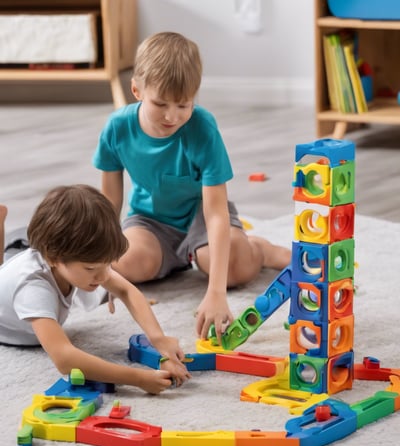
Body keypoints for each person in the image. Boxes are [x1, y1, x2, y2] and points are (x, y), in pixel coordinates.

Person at [93, 32, 291, 344]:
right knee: (123, 263)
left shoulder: (202, 127)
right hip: (150, 221)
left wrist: (216, 292)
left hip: (201, 213)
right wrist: (103, 260)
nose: (173, 116)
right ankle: (170, 260)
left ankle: (260, 249)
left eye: (184, 105)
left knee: (232, 270)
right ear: (136, 90)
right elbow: (110, 200)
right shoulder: (117, 128)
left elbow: (215, 213)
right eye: (161, 104)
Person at [0, 185, 191, 394]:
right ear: (53, 257)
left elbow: (127, 291)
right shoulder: (32, 287)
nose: (102, 277)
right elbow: (64, 358)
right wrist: (137, 378)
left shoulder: (75, 263)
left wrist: (158, 338)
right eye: (90, 268)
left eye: (107, 264)